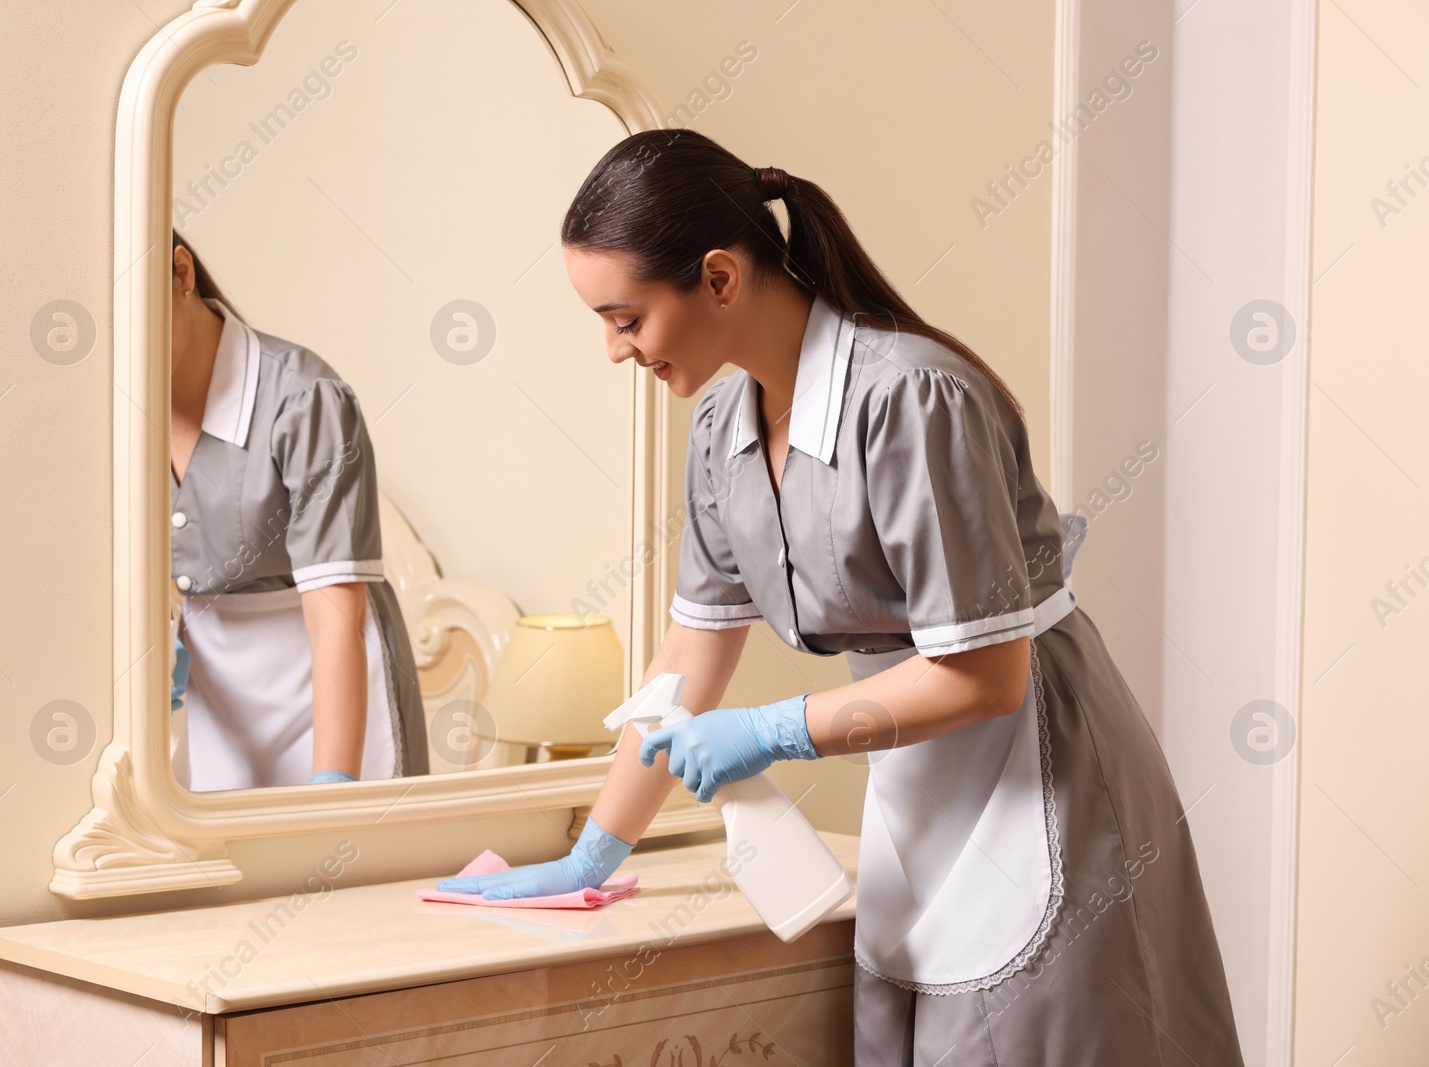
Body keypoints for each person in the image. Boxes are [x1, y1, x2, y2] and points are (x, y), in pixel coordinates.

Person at [434, 130, 1244, 1064]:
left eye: (627, 318)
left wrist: (777, 727)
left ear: (720, 279)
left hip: (1041, 768)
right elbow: (687, 660)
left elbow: (986, 678)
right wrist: (594, 853)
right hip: (919, 774)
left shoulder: (913, 401)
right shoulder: (721, 437)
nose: (616, 351)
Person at [166, 230, 429, 790]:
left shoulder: (304, 399)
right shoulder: (117, 411)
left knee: (346, 863)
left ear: (181, 275)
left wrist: (333, 780)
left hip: (326, 681)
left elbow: (333, 614)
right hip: (215, 699)